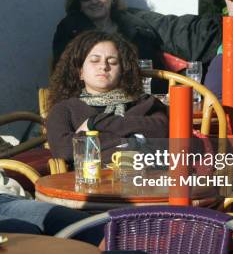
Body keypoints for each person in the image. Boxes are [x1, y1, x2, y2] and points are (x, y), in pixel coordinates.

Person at [47, 30, 169, 162]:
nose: (104, 66)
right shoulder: (65, 109)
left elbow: (161, 130)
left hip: (142, 177)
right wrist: (133, 141)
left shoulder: (143, 102)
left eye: (112, 62)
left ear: (123, 70)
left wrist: (95, 123)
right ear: (80, 72)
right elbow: (64, 150)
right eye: (94, 61)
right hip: (88, 180)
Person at [52, 0, 163, 71]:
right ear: (79, 4)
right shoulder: (68, 32)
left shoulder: (137, 30)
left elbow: (151, 72)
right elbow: (63, 73)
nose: (94, 1)